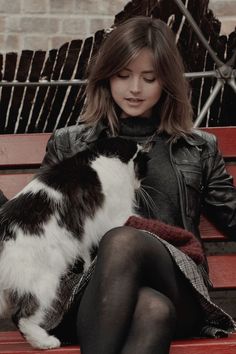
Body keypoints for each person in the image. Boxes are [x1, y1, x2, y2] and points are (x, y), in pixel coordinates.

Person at [42, 16, 236, 354]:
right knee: (152, 310)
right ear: (106, 77)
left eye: (149, 78)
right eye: (123, 75)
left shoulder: (199, 148)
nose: (135, 89)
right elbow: (39, 224)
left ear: (166, 82)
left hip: (179, 284)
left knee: (123, 240)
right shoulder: (70, 144)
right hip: (91, 291)